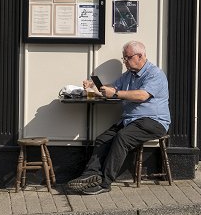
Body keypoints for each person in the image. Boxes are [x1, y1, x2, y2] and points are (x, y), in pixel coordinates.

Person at [67, 41, 171, 195]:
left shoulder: (155, 74)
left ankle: (105, 183)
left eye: (127, 58)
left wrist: (115, 94)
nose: (125, 62)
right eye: (124, 58)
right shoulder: (128, 75)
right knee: (103, 139)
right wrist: (95, 87)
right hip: (131, 121)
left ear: (140, 56)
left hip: (153, 121)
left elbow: (142, 95)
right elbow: (113, 87)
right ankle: (90, 175)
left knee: (122, 138)